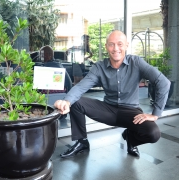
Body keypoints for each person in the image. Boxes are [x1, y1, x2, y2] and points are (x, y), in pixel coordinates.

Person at [54, 30, 170, 158]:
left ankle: (130, 138)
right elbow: (81, 86)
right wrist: (67, 101)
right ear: (106, 47)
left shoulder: (136, 62)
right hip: (108, 110)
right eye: (111, 44)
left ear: (126, 45)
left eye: (120, 44)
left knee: (153, 133)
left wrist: (155, 114)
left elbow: (163, 82)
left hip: (131, 111)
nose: (116, 48)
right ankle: (82, 142)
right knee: (76, 102)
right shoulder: (99, 67)